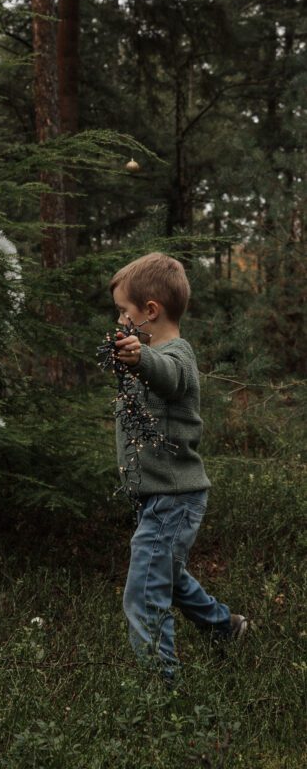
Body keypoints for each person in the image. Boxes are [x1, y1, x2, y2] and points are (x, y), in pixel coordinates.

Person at [109, 252, 247, 683]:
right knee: (168, 576)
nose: (119, 320)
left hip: (175, 498)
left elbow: (168, 377)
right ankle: (226, 627)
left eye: (124, 312)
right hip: (159, 496)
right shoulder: (147, 356)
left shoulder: (175, 355)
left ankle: (159, 689)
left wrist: (140, 360)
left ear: (150, 312)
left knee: (144, 593)